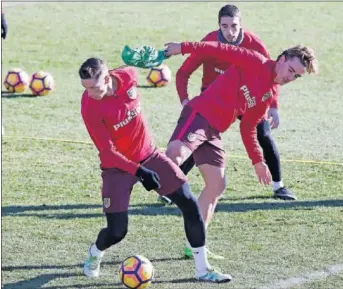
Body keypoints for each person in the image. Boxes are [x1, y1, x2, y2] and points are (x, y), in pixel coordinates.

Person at [79, 58, 231, 283]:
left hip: (149, 155)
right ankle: (95, 252)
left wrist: (152, 58)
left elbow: (133, 66)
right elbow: (107, 152)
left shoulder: (128, 75)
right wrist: (139, 172)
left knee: (189, 202)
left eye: (94, 86)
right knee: (117, 231)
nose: (90, 92)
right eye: (86, 88)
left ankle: (202, 269)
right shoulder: (89, 107)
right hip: (116, 168)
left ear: (108, 77)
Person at [164, 41, 318, 258]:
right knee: (175, 156)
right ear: (282, 59)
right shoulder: (255, 60)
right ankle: (137, 169)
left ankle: (194, 245)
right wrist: (182, 47)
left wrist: (257, 161)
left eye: (297, 76)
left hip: (214, 130)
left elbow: (248, 127)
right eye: (291, 71)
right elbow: (217, 49)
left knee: (217, 185)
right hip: (199, 114)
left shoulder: (268, 95)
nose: (290, 78)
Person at [159, 5, 296, 215]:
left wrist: (274, 107)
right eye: (225, 26)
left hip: (248, 98)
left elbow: (274, 77)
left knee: (263, 133)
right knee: (196, 140)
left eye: (234, 26)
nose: (230, 32)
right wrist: (184, 99)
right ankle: (171, 186)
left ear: (241, 25)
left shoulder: (254, 46)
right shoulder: (210, 41)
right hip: (215, 97)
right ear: (218, 26)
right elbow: (184, 72)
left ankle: (278, 185)